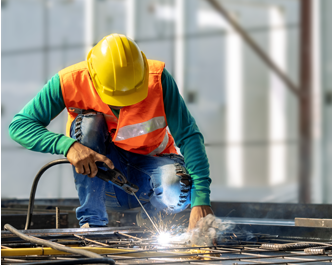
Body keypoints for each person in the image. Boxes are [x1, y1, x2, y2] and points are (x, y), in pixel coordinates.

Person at [9, 33, 213, 232]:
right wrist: (68, 146)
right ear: (93, 78)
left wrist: (201, 201)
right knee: (88, 126)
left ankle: (152, 218)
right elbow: (20, 126)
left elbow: (189, 136)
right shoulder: (69, 82)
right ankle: (93, 223)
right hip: (105, 178)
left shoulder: (158, 80)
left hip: (151, 174)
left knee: (177, 186)